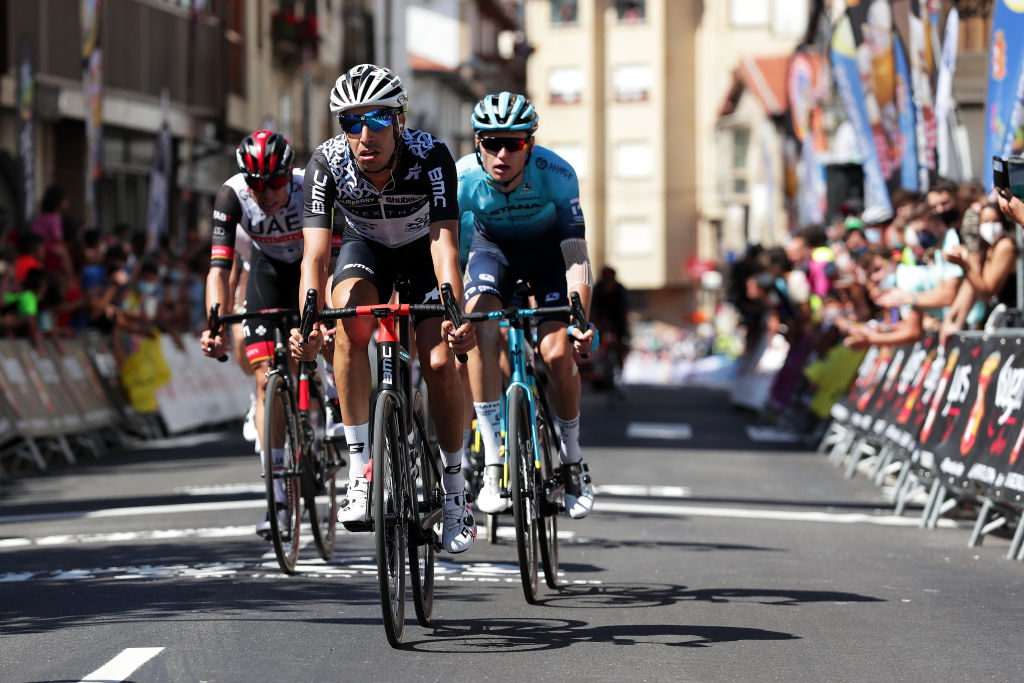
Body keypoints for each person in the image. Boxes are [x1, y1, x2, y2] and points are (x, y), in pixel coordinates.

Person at [288, 64, 478, 554]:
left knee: (438, 362)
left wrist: (458, 320)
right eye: (351, 121)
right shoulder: (326, 163)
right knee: (347, 326)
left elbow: (445, 248)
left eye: (376, 119)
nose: (364, 133)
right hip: (364, 249)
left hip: (422, 254)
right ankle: (359, 472)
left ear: (399, 120)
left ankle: (455, 493)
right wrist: (308, 325)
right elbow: (313, 257)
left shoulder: (431, 155)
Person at [457, 91, 597, 520]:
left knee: (557, 353)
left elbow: (575, 252)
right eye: (490, 142)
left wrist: (579, 320)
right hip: (490, 251)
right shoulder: (461, 178)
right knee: (481, 328)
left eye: (513, 143)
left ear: (529, 145)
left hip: (547, 255)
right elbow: (451, 251)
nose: (502, 153)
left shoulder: (557, 173)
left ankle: (573, 463)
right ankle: (494, 464)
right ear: (477, 143)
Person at [199, 129, 311, 540]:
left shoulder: (308, 186)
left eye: (274, 183)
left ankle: (328, 397)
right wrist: (215, 324)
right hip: (266, 270)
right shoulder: (231, 195)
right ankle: (278, 493)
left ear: (289, 175)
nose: (264, 194)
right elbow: (219, 268)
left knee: (315, 340)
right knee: (266, 375)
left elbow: (327, 257)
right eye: (256, 184)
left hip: (309, 267)